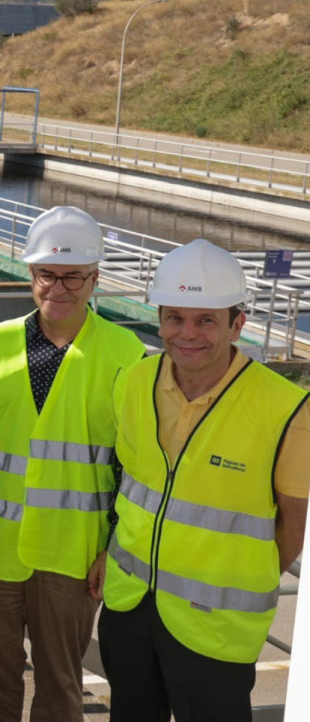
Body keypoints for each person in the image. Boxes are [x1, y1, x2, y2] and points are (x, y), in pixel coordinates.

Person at [99, 239, 310, 722]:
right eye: (175, 317)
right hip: (130, 608)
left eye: (206, 320)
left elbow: (292, 531)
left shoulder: (286, 410)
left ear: (238, 324)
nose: (187, 333)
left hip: (216, 629)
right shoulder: (133, 381)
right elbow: (130, 489)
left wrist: (229, 578)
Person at [0, 205, 145, 721]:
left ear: (94, 280)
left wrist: (115, 548)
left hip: (74, 554)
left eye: (73, 277)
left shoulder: (125, 355)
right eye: (47, 274)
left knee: (60, 684)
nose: (58, 288)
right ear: (30, 274)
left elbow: (134, 467)